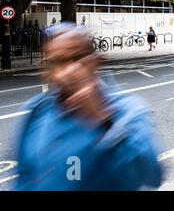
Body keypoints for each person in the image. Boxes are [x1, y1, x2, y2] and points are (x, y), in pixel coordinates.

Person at [14, 23, 162, 190]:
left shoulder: (128, 111)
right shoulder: (36, 112)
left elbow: (151, 175)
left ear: (95, 61)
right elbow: (24, 177)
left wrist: (102, 120)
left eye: (78, 58)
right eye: (59, 62)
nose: (71, 69)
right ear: (46, 70)